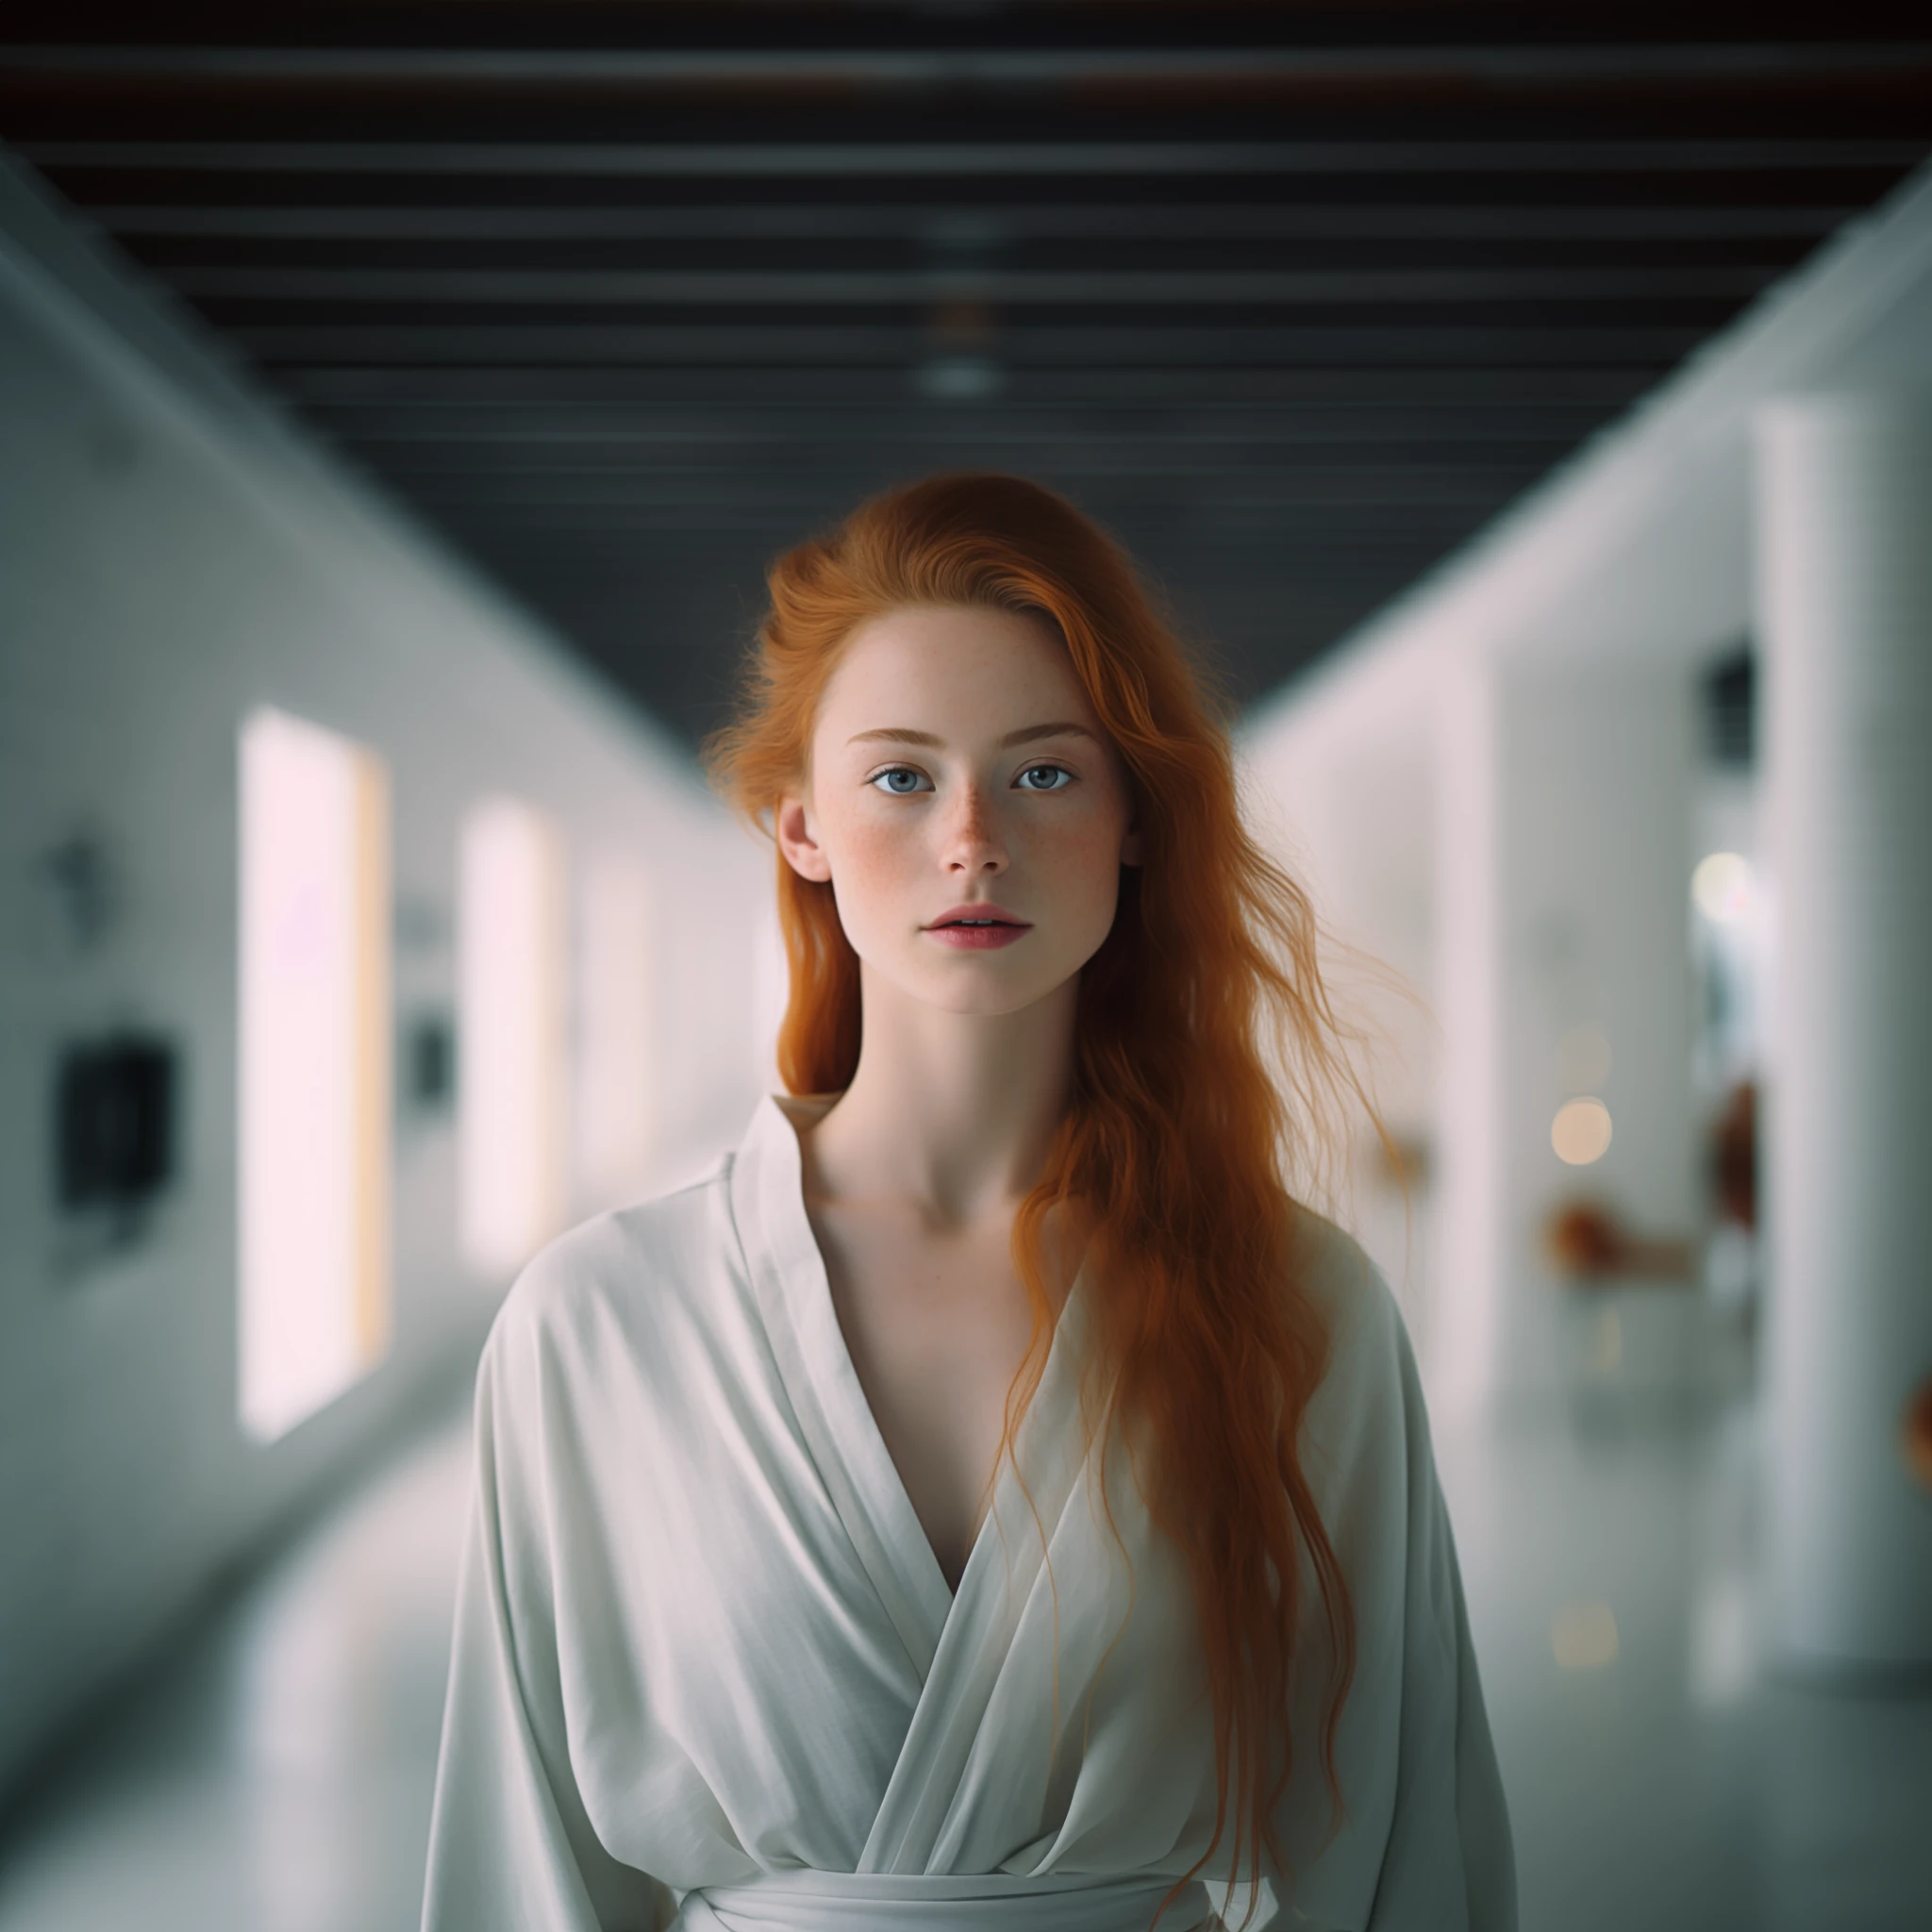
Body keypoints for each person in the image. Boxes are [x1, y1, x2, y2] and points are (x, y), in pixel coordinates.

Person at [422, 475, 1515, 1932]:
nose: (971, 839)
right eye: (902, 776)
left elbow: (1395, 1854)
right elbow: (528, 1868)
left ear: (1137, 820)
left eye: (1046, 773)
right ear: (798, 824)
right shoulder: (601, 1321)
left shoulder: (1299, 1310)